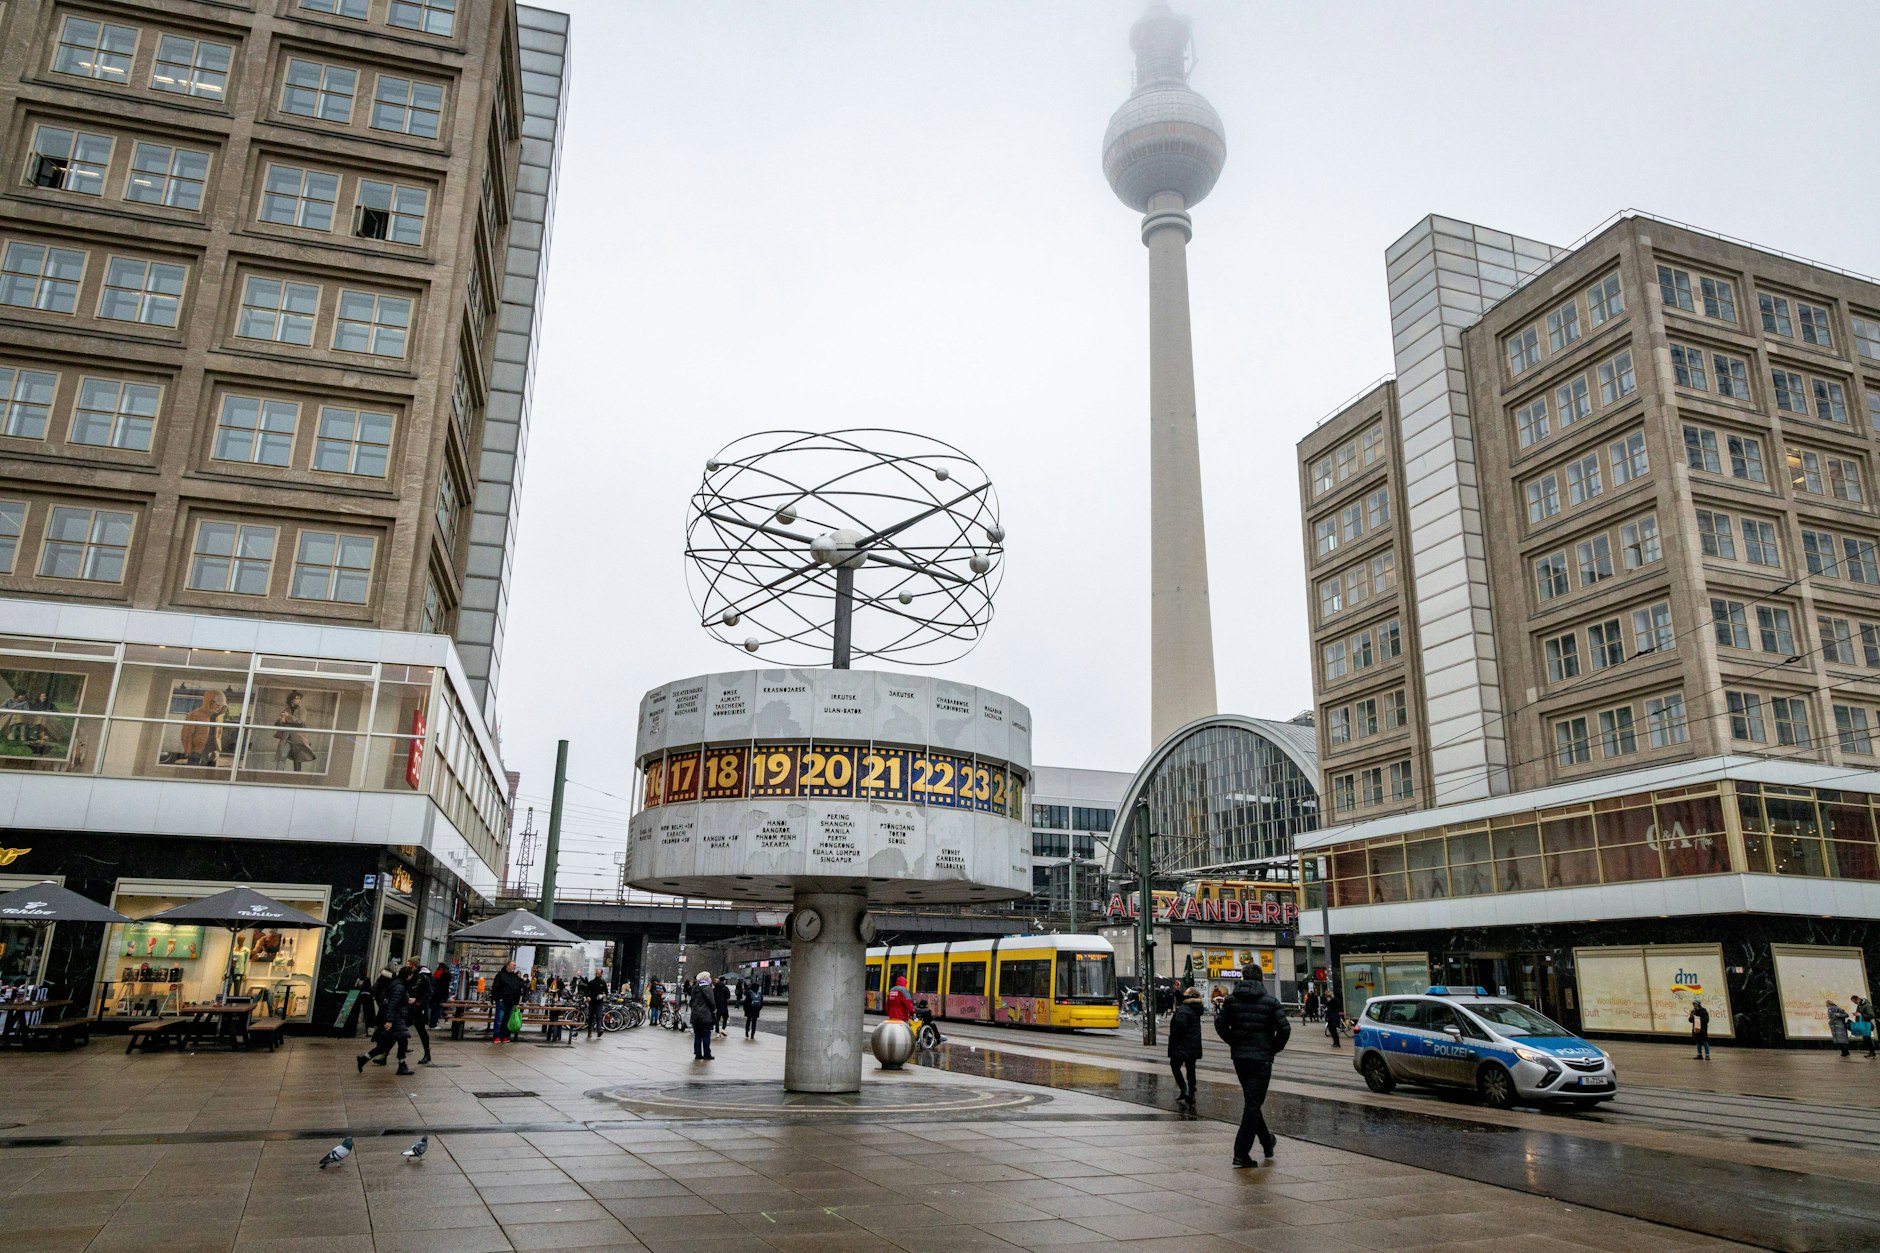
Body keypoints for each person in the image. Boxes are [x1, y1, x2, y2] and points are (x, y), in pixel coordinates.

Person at [1215, 962, 1289, 1168]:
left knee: (1251, 1101)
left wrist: (1234, 1042)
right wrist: (1272, 1048)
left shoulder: (1231, 1001)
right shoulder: (1271, 1002)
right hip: (1261, 1059)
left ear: (1242, 978)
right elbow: (1284, 1029)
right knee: (1253, 1103)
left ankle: (1267, 1140)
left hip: (1240, 1058)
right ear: (1261, 979)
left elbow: (1219, 1024)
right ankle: (1241, 1153)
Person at [358, 966, 414, 1075]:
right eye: (411, 975)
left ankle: (364, 1058)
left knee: (385, 1045)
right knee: (402, 1041)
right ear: (408, 976)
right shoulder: (399, 987)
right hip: (396, 1019)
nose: (412, 977)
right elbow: (393, 1004)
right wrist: (390, 1020)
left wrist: (407, 1000)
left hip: (396, 1018)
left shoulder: (398, 985)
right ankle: (402, 1066)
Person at [1167, 985, 1204, 1108]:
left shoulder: (1184, 1009)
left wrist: (1173, 1037)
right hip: (1193, 1043)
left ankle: (1184, 1089)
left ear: (1190, 995)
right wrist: (1176, 991)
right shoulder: (1196, 1008)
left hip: (1181, 1043)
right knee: (1191, 1068)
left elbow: (1180, 1026)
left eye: (1186, 992)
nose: (1184, 993)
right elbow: (1182, 997)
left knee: (1175, 1065)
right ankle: (1192, 1092)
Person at [402, 957, 433, 1064]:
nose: (407, 968)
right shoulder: (411, 976)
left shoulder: (423, 977)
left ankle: (427, 1054)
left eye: (409, 966)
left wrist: (418, 1001)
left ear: (414, 966)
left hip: (419, 1009)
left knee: (421, 1032)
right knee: (399, 1028)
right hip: (409, 1007)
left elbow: (429, 992)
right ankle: (385, 1054)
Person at [491, 960, 526, 1045]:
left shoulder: (515, 977)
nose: (514, 967)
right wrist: (499, 998)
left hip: (512, 1002)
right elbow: (495, 987)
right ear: (508, 966)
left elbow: (520, 987)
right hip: (502, 1001)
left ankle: (505, 1035)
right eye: (513, 965)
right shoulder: (501, 975)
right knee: (499, 1019)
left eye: (515, 965)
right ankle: (497, 1036)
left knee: (507, 1020)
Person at [690, 972, 717, 1060]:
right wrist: (714, 1009)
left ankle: (698, 1054)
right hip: (705, 1016)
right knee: (706, 1036)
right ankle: (707, 1054)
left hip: (695, 1016)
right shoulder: (708, 988)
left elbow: (691, 1002)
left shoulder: (695, 988)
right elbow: (711, 1001)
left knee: (697, 1036)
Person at [583, 971, 608, 1039]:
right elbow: (586, 991)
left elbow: (606, 992)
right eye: (596, 973)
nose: (597, 974)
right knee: (591, 1017)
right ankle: (589, 1031)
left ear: (601, 974)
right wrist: (587, 997)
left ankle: (599, 1030)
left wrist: (602, 995)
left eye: (598, 973)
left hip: (599, 1002)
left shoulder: (603, 982)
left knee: (598, 1016)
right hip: (592, 1002)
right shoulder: (591, 982)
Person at [430, 962, 451, 1029]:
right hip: (440, 995)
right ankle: (433, 1024)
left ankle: (432, 1022)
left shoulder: (437, 972)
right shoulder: (445, 975)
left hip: (434, 994)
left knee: (434, 1009)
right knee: (437, 1010)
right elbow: (445, 986)